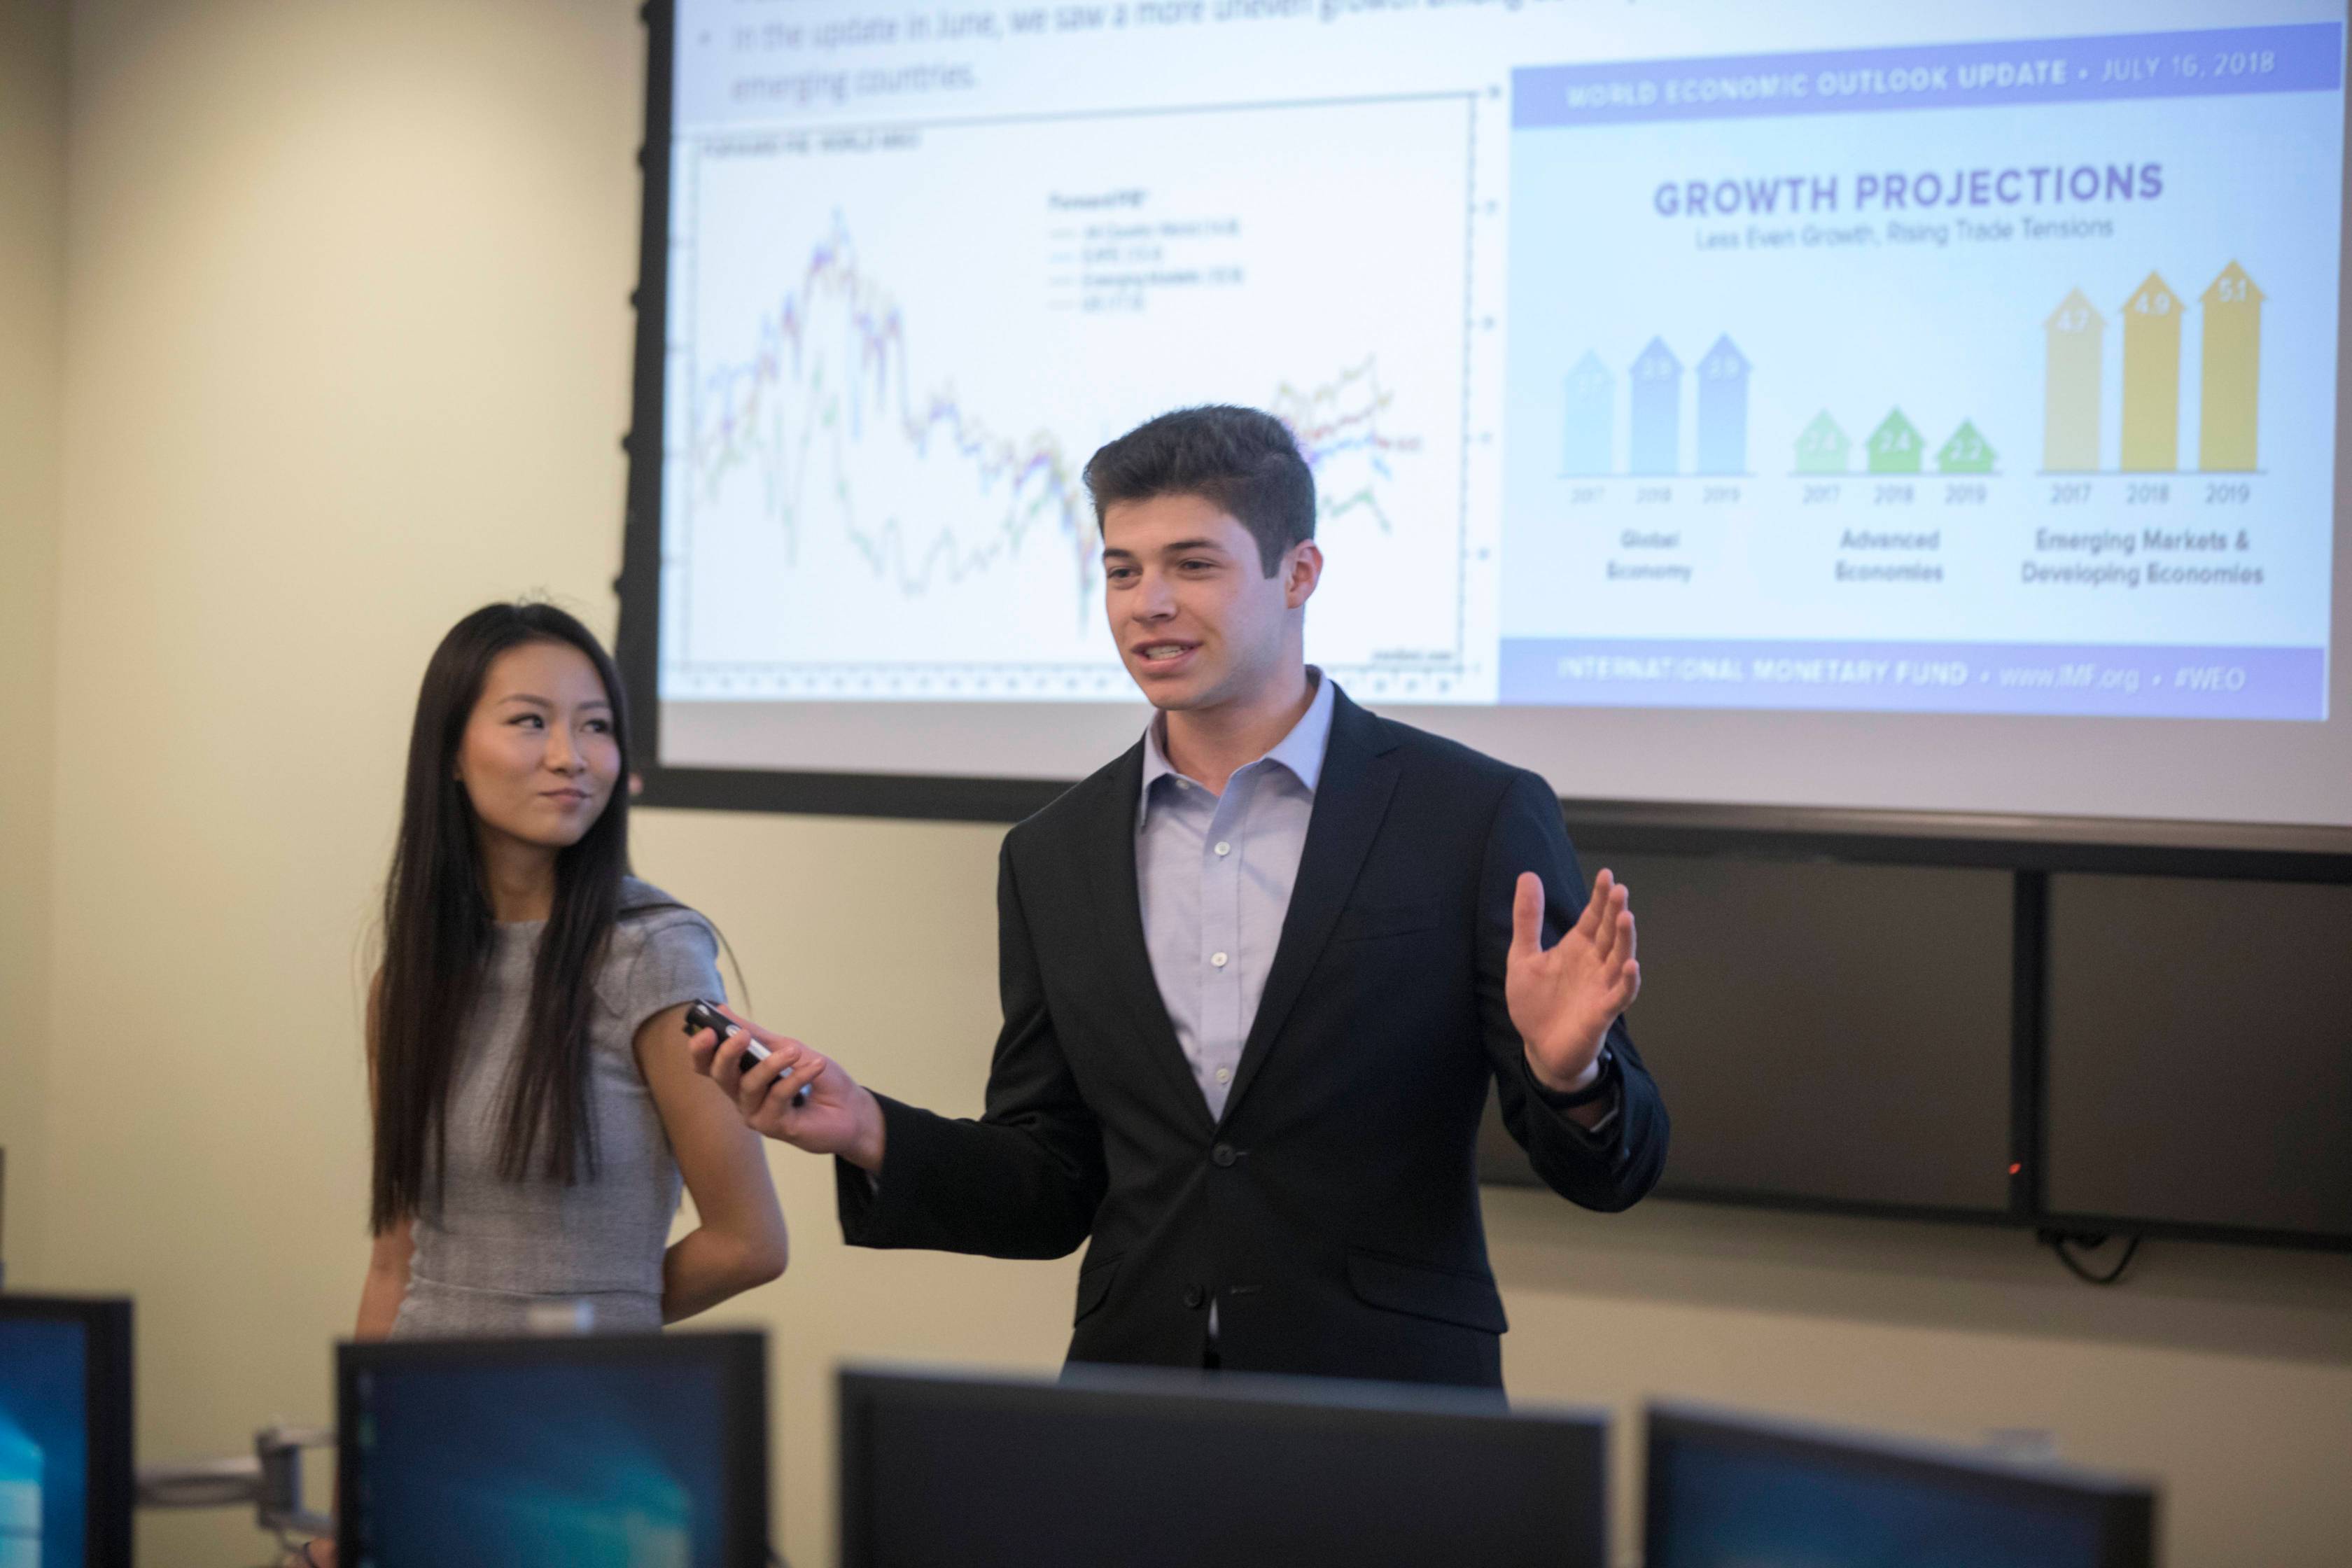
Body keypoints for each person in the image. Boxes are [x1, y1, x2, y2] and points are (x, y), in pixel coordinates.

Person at [697, 407, 1666, 1390]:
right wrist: (868, 1127)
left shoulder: (1472, 814)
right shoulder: (1052, 855)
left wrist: (1571, 1074)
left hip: (1390, 1400)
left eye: (1193, 565)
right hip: (1131, 1400)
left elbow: (1612, 1174)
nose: (1146, 603)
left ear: (1299, 574)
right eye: (1122, 571)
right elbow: (1054, 1184)